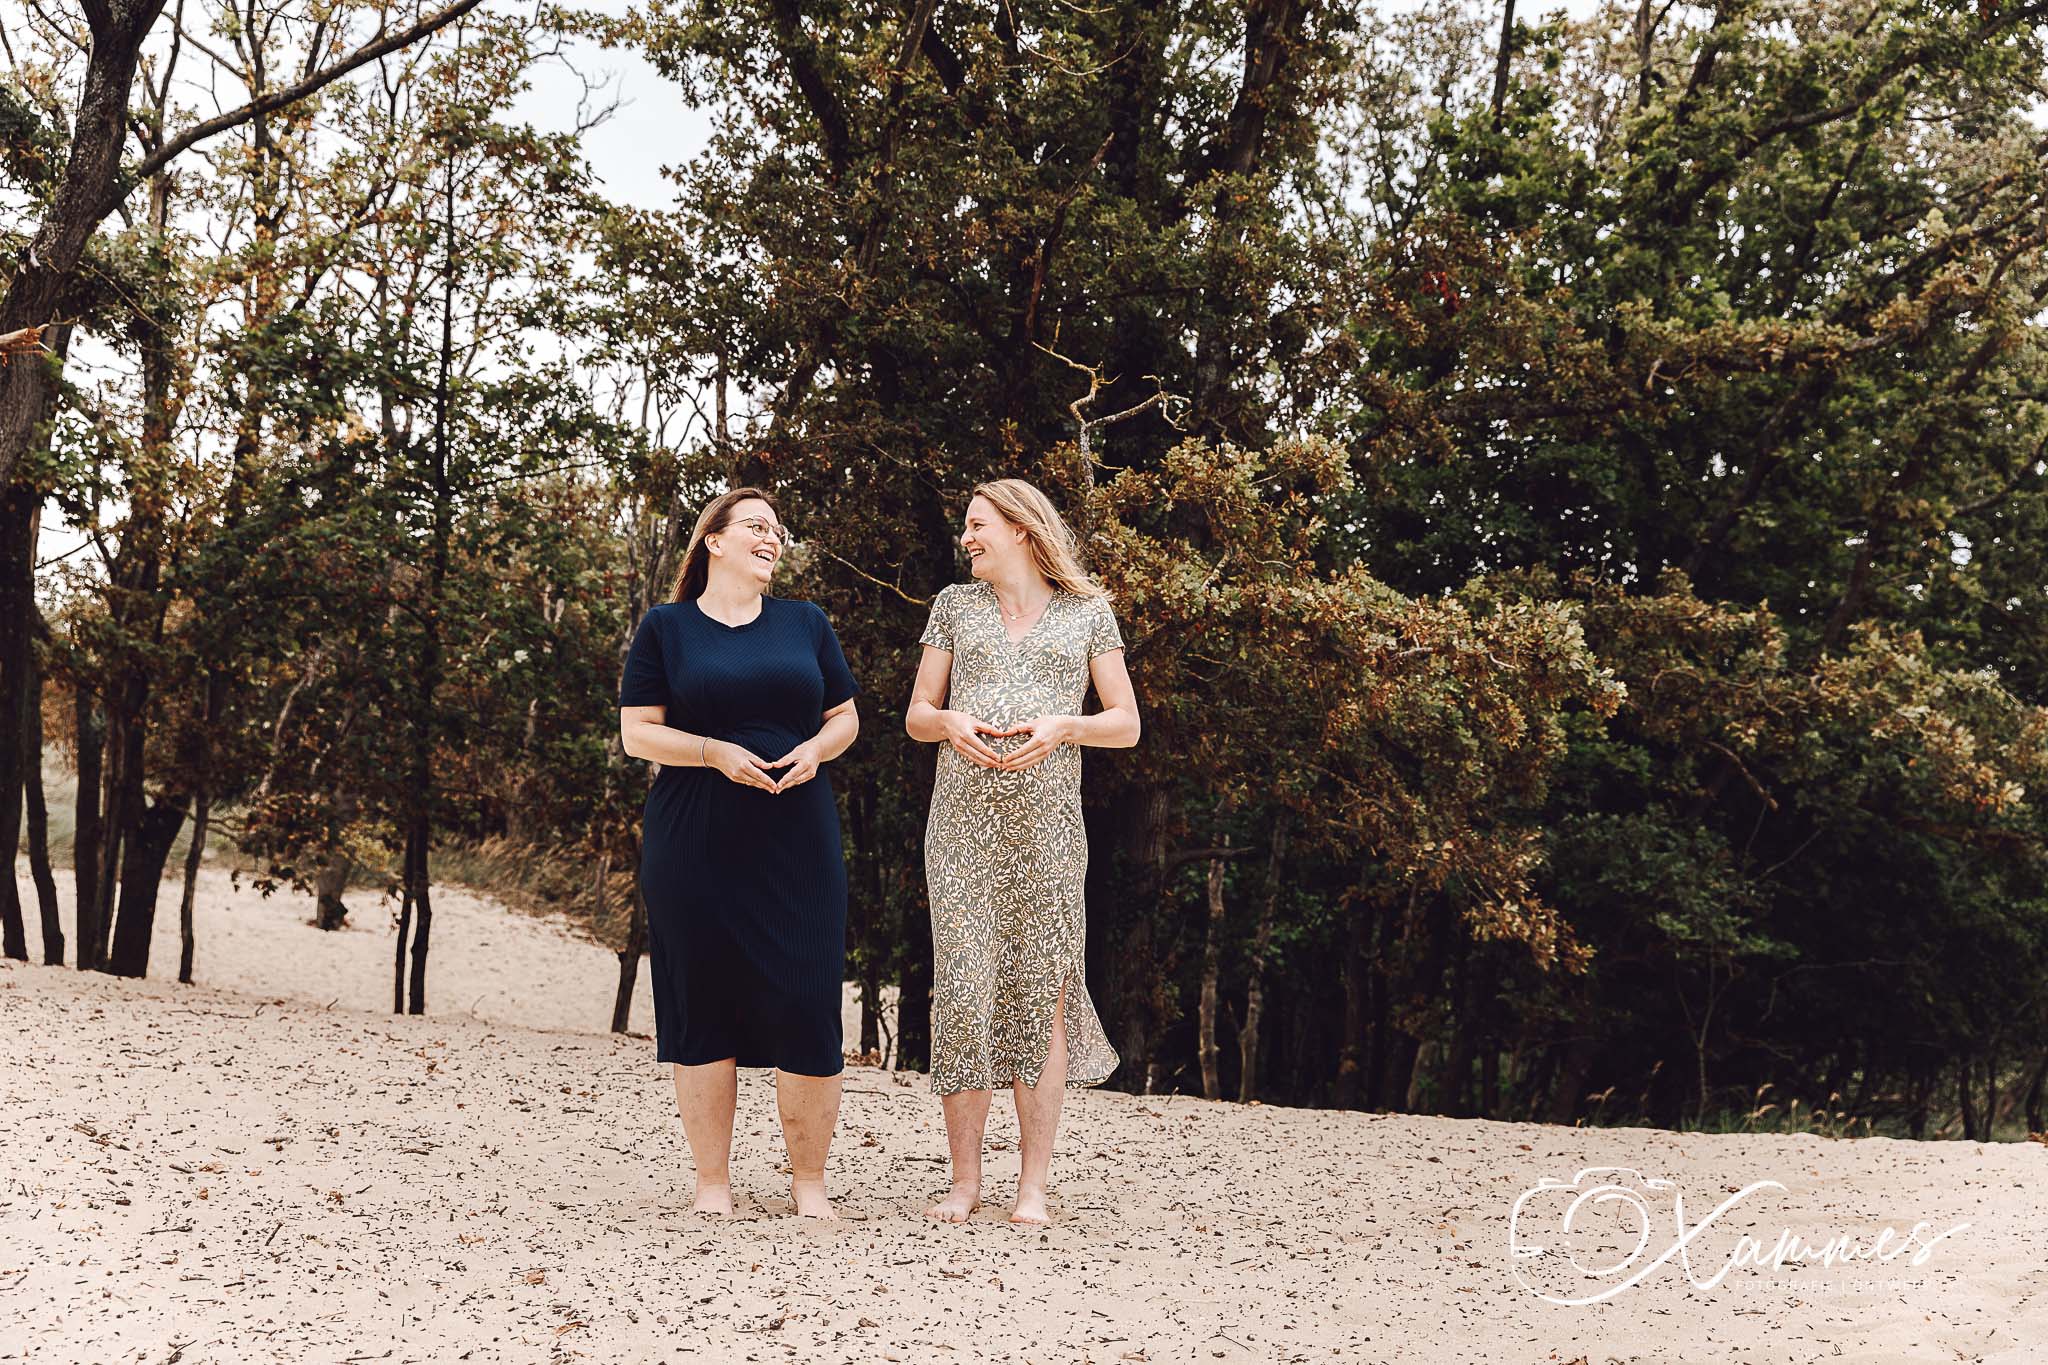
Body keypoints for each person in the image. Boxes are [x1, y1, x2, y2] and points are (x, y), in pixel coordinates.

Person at [617, 487, 860, 1219]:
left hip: (798, 834)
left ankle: (808, 1182)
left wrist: (818, 750)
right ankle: (712, 1182)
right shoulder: (667, 628)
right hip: (695, 835)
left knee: (809, 998)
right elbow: (639, 733)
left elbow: (845, 715)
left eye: (778, 530)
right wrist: (711, 751)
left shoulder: (805, 623)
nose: (773, 538)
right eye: (757, 526)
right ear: (714, 541)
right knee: (702, 1001)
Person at [905, 477, 1140, 1224]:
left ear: (1021, 529)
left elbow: (1126, 723)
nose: (966, 538)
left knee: (1043, 997)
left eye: (978, 525)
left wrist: (1062, 726)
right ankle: (965, 1181)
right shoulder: (954, 606)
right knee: (966, 992)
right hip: (960, 834)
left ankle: (1031, 1186)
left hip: (1047, 837)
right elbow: (915, 714)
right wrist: (949, 723)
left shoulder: (1087, 615)